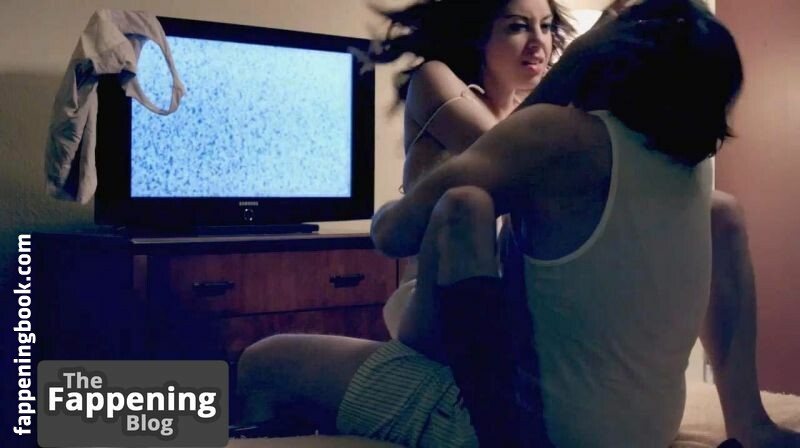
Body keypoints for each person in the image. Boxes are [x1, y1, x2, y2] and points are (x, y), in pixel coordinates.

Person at [238, 0, 800, 446]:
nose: (540, 42)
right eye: (516, 26)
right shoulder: (689, 169)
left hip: (522, 422)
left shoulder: (552, 135)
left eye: (548, 28)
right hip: (645, 428)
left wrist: (576, 63)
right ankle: (747, 420)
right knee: (723, 210)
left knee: (263, 360)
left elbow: (392, 233)